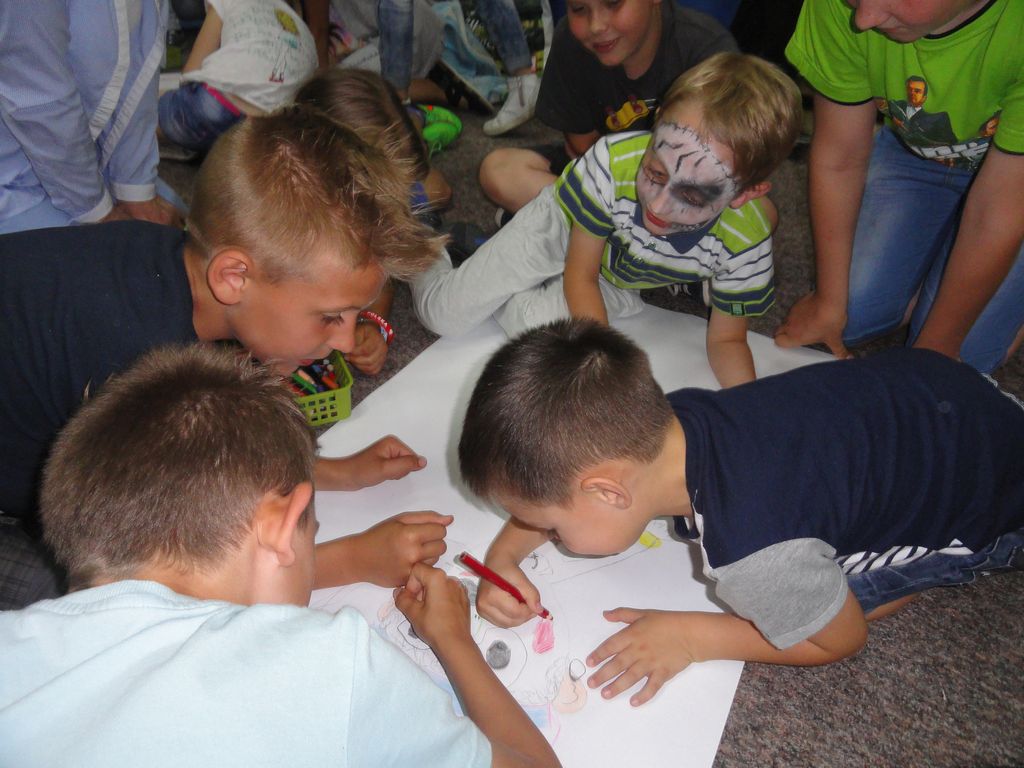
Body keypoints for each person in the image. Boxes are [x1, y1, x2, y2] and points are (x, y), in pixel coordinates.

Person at [0, 344, 561, 768]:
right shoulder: (331, 668)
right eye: (313, 534)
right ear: (283, 527)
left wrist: (350, 560)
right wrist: (453, 641)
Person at [0, 105, 450, 609]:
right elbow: (171, 570)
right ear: (233, 277)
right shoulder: (139, 363)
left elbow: (215, 456)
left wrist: (340, 473)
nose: (347, 341)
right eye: (330, 316)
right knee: (98, 613)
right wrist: (350, 560)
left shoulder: (172, 261)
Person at [458, 318, 1024, 706]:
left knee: (817, 605)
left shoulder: (753, 552)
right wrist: (504, 557)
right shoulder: (673, 419)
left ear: (608, 492)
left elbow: (840, 641)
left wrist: (691, 637)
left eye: (550, 527)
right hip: (950, 389)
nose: (545, 534)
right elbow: (561, 478)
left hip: (995, 502)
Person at [413, 53, 802, 388]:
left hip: (618, 275)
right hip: (563, 230)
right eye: (655, 172)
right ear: (657, 124)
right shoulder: (610, 163)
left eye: (691, 196)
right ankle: (417, 234)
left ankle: (486, 252)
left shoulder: (746, 241)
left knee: (533, 328)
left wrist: (747, 408)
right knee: (443, 314)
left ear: (746, 194)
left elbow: (728, 341)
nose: (658, 206)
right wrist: (605, 364)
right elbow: (580, 274)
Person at [774, 0, 1024, 374]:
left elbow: (997, 211)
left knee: (965, 352)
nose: (864, 19)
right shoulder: (847, 7)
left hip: (1013, 184)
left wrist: (937, 347)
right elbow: (840, 157)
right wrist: (828, 301)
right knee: (850, 312)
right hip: (918, 153)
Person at [478, 0, 736, 215]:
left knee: (746, 210)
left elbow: (720, 165)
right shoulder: (570, 41)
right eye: (579, 9)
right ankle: (617, 237)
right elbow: (580, 147)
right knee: (498, 170)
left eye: (613, 3)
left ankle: (575, 231)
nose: (596, 26)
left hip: (683, 186)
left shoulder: (708, 52)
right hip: (606, 173)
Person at [295, 67, 457, 375]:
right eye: (381, 199)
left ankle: (417, 121)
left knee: (433, 196)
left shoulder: (369, 204)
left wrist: (373, 321)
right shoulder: (283, 220)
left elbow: (382, 268)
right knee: (428, 199)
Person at [0, 0, 182, 234]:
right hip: (13, 176)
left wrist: (135, 189)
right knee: (139, 252)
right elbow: (38, 98)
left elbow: (139, 58)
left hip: (84, 153)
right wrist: (98, 211)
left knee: (183, 234)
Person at [158, 0, 318, 154]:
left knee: (152, 112)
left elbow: (190, 74)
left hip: (216, 105)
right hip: (272, 129)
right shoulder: (300, 26)